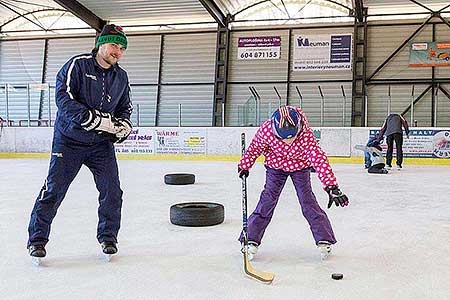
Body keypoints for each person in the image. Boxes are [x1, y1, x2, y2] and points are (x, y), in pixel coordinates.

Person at [27, 24, 133, 260]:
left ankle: (108, 237)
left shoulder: (121, 76)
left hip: (100, 145)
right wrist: (90, 118)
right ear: (101, 44)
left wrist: (124, 124)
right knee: (54, 190)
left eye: (122, 47)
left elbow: (125, 106)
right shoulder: (78, 65)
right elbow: (63, 98)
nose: (118, 51)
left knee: (112, 191)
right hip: (69, 141)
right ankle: (37, 240)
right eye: (115, 44)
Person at [237, 105, 349, 260]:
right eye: (284, 138)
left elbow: (318, 158)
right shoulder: (266, 131)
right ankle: (250, 239)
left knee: (307, 201)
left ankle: (324, 239)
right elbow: (255, 148)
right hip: (275, 167)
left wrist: (331, 186)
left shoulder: (305, 133)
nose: (289, 141)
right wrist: (245, 165)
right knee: (267, 200)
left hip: (300, 167)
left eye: (292, 137)